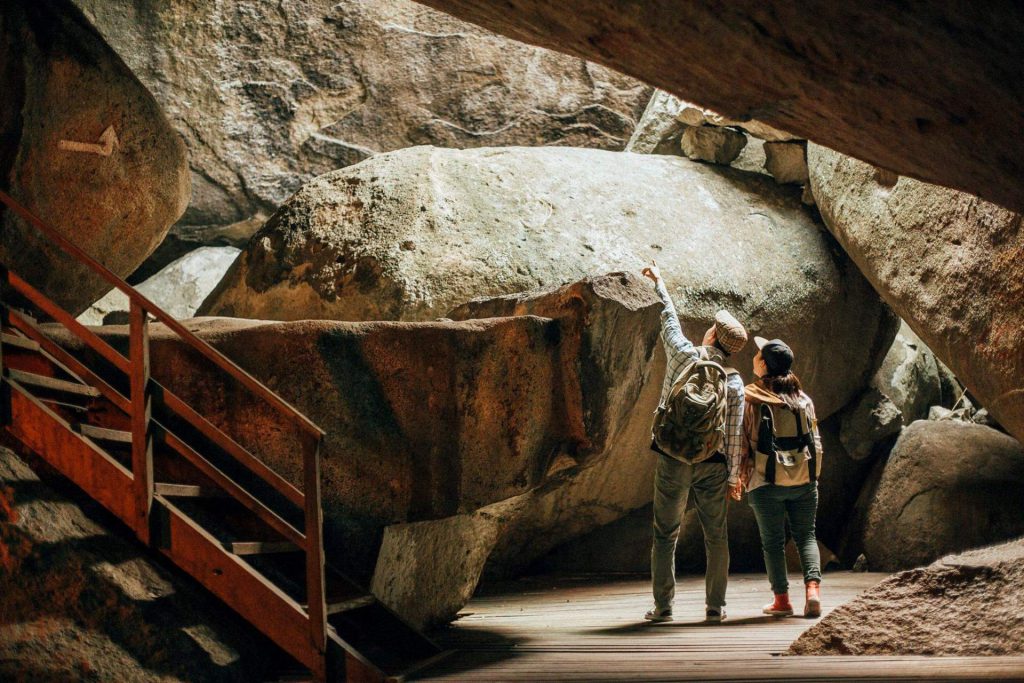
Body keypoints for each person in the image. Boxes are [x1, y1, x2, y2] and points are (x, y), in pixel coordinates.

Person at [641, 261, 747, 623]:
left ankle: (663, 607)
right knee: (716, 536)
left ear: (712, 336)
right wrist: (733, 477)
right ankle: (715, 608)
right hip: (712, 463)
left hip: (672, 455)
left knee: (664, 534)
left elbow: (668, 320)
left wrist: (660, 283)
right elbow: (732, 435)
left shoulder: (685, 355)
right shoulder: (733, 383)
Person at [741, 336, 823, 618]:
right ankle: (813, 592)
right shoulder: (804, 400)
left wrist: (739, 476)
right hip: (803, 480)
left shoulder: (752, 400)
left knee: (773, 542)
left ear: (763, 364)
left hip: (765, 482)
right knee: (806, 536)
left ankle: (782, 601)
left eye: (757, 354)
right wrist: (813, 477)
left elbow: (742, 443)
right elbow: (816, 442)